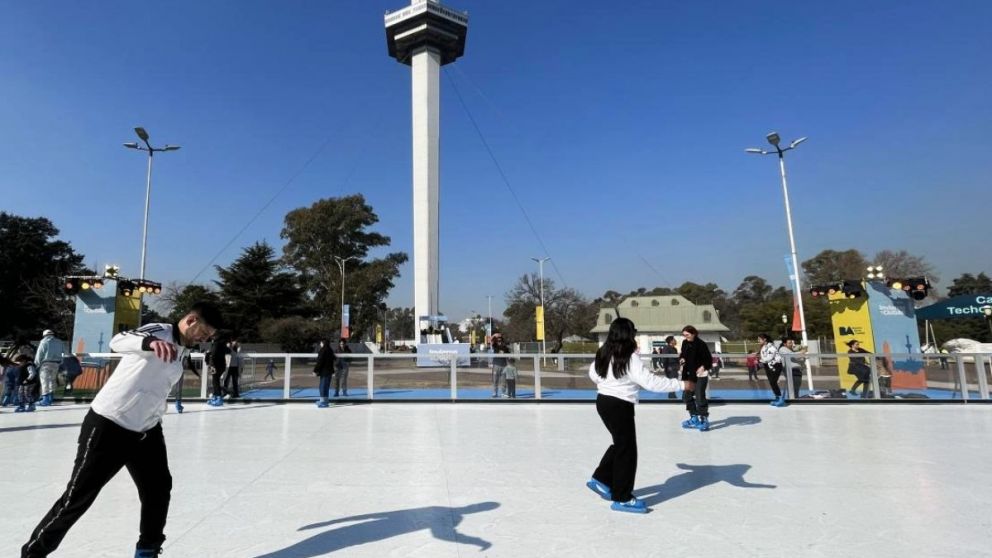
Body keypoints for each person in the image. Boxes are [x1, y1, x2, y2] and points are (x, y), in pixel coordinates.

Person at [21, 301, 221, 558]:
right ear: (191, 320)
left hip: (146, 429)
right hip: (109, 425)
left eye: (209, 337)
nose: (205, 338)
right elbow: (118, 340)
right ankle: (32, 554)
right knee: (77, 497)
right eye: (204, 332)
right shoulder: (159, 331)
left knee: (158, 489)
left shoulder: (183, 348)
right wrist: (148, 343)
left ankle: (147, 550)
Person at [586, 318, 691, 514]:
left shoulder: (604, 352)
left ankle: (601, 479)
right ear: (628, 334)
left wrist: (609, 383)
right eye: (633, 331)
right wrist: (681, 384)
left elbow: (593, 374)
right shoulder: (629, 357)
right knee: (627, 450)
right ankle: (622, 497)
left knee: (621, 444)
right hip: (619, 405)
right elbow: (650, 382)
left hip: (604, 402)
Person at [679, 325, 714, 430]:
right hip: (689, 375)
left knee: (699, 397)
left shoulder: (701, 344)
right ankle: (694, 417)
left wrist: (703, 367)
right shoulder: (685, 343)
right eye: (684, 335)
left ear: (693, 333)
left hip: (700, 375)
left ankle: (704, 418)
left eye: (687, 335)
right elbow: (683, 355)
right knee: (686, 396)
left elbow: (708, 359)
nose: (686, 337)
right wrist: (682, 359)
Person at [35, 329, 64, 407]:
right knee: (52, 380)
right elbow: (63, 353)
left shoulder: (44, 341)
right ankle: (51, 398)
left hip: (46, 363)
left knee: (44, 381)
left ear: (44, 335)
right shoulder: (59, 342)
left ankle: (45, 400)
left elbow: (39, 353)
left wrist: (37, 363)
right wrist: (61, 362)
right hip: (56, 364)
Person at [758, 333, 784, 406]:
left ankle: (780, 398)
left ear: (764, 339)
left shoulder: (771, 347)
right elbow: (763, 357)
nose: (758, 341)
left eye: (759, 339)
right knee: (771, 382)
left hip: (775, 365)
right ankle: (777, 397)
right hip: (768, 366)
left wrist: (759, 362)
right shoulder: (763, 347)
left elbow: (768, 358)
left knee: (773, 382)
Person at [207, 332, 229, 407]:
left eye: (212, 336)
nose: (211, 337)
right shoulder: (223, 344)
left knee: (215, 381)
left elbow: (213, 354)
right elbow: (227, 351)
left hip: (216, 365)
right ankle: (215, 397)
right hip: (222, 365)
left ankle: (219, 398)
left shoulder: (216, 343)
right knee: (215, 381)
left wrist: (212, 365)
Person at [313, 338, 336, 408]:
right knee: (326, 386)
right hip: (329, 371)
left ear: (323, 343)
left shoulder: (323, 350)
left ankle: (323, 402)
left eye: (321, 343)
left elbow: (320, 361)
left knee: (322, 386)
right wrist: (332, 371)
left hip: (324, 371)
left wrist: (315, 370)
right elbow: (333, 360)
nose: (320, 344)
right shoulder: (330, 350)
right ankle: (325, 400)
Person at [661, 335, 680, 399]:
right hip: (670, 367)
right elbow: (664, 358)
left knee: (675, 381)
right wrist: (666, 367)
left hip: (675, 367)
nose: (675, 341)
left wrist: (678, 366)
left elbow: (676, 358)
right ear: (671, 341)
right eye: (674, 339)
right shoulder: (666, 348)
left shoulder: (675, 349)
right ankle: (671, 396)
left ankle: (672, 395)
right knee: (671, 382)